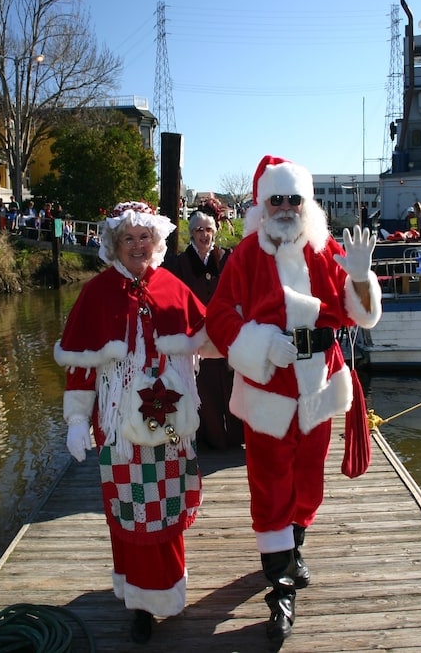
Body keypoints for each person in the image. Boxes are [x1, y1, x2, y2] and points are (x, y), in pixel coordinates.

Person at [205, 155, 382, 642]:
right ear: (263, 204)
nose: (284, 207)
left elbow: (360, 317)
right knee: (269, 490)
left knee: (308, 486)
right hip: (268, 394)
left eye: (293, 199)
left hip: (319, 389)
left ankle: (294, 543)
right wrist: (258, 342)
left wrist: (363, 279)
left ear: (305, 203)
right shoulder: (244, 256)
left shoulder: (324, 252)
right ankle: (280, 591)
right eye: (276, 199)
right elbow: (219, 318)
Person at [53, 201, 210, 644]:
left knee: (169, 504)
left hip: (173, 425)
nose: (139, 246)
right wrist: (76, 419)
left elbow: (211, 337)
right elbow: (81, 364)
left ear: (157, 242)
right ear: (114, 245)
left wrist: (259, 342)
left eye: (145, 238)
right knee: (132, 512)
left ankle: (168, 590)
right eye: (129, 239)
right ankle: (140, 604)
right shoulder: (96, 293)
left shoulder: (172, 286)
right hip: (121, 432)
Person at [166, 209, 244, 450]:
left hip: (225, 333)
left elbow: (239, 294)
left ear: (215, 231)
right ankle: (211, 438)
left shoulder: (227, 258)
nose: (204, 234)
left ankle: (235, 436)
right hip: (197, 337)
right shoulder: (180, 263)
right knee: (205, 386)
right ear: (191, 234)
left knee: (230, 384)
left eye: (208, 229)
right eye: (199, 230)